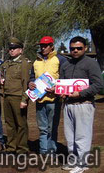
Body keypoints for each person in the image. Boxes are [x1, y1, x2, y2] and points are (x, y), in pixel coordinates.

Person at [59, 36, 103, 172]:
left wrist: (81, 93)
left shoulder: (91, 63)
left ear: (85, 48)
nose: (75, 51)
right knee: (70, 136)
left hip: (84, 103)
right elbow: (61, 82)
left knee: (82, 136)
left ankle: (82, 164)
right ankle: (73, 160)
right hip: (68, 104)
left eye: (79, 48)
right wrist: (61, 92)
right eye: (72, 48)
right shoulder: (66, 64)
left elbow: (99, 85)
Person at [28, 36, 67, 154]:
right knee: (42, 128)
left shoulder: (60, 59)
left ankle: (52, 151)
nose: (43, 48)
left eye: (46, 46)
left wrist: (57, 88)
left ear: (52, 46)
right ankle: (43, 151)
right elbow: (32, 77)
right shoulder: (36, 61)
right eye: (42, 46)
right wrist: (30, 83)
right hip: (39, 99)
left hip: (54, 99)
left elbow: (65, 78)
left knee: (52, 128)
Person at [0, 37, 32, 154]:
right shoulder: (6, 63)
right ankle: (11, 147)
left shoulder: (24, 63)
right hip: (7, 96)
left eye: (14, 48)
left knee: (21, 124)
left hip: (18, 97)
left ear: (21, 50)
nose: (11, 50)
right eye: (10, 48)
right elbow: (0, 75)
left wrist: (25, 99)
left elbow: (26, 82)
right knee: (10, 123)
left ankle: (22, 149)